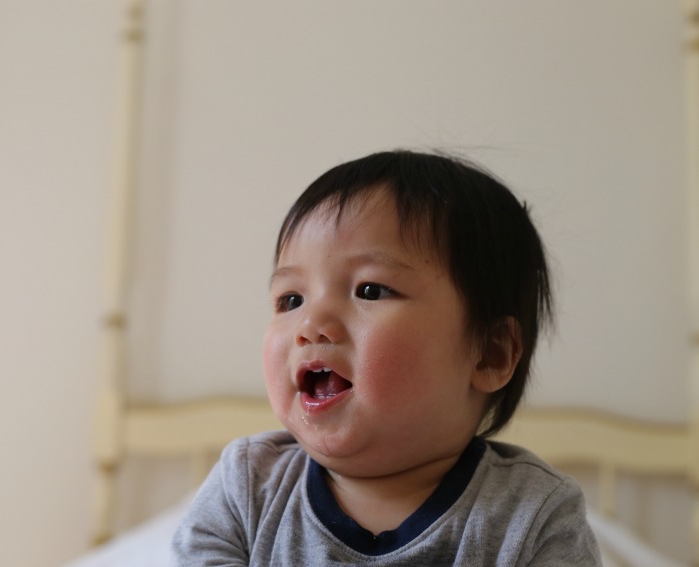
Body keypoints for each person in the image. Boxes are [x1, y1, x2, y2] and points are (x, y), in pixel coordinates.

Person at [172, 150, 601, 565]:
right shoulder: (248, 487)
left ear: (490, 353)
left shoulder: (532, 518)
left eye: (370, 290)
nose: (311, 323)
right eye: (291, 299)